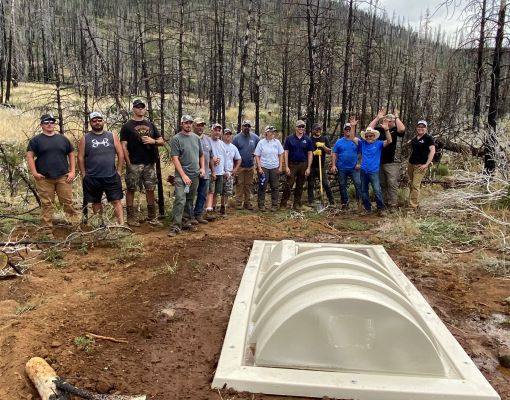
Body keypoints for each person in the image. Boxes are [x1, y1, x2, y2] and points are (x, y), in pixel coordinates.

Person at [26, 114, 79, 235]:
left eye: (51, 122)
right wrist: (34, 173)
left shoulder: (63, 139)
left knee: (67, 202)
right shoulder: (36, 140)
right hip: (44, 178)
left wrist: (72, 171)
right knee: (47, 204)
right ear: (41, 125)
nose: (49, 124)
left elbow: (71, 154)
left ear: (54, 124)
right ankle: (47, 230)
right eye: (46, 122)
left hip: (63, 177)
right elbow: (29, 156)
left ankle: (75, 227)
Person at [120, 99, 164, 226]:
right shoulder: (127, 126)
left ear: (145, 109)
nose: (140, 109)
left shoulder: (150, 124)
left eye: (142, 107)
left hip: (149, 163)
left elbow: (161, 141)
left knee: (150, 189)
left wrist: (153, 141)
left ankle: (152, 217)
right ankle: (131, 218)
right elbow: (123, 146)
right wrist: (128, 164)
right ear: (133, 109)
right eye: (138, 107)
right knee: (131, 189)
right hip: (134, 163)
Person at [78, 112, 125, 226]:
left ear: (103, 121)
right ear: (90, 123)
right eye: (94, 121)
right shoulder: (85, 138)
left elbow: (120, 153)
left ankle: (121, 225)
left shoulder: (111, 136)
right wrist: (84, 174)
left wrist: (118, 171)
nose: (97, 122)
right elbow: (80, 157)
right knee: (96, 201)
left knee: (116, 201)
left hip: (111, 176)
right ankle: (100, 225)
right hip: (93, 177)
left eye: (99, 120)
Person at [168, 115, 205, 237]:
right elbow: (175, 158)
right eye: (186, 123)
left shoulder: (196, 138)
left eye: (190, 123)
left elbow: (201, 155)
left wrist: (202, 168)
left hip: (195, 175)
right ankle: (175, 226)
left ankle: (186, 221)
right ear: (181, 124)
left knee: (189, 200)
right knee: (180, 199)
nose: (188, 125)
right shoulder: (176, 139)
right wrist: (183, 175)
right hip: (181, 176)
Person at [351, 119, 392, 216]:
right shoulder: (362, 143)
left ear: (374, 136)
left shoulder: (378, 144)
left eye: (370, 135)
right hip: (363, 171)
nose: (369, 137)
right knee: (364, 190)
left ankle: (381, 209)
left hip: (374, 171)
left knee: (377, 190)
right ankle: (367, 208)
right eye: (367, 136)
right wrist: (353, 126)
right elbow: (352, 138)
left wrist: (386, 130)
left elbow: (389, 141)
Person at [368, 109, 406, 211]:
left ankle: (393, 205)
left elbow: (402, 129)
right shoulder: (380, 130)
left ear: (393, 122)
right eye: (386, 120)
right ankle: (384, 204)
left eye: (389, 121)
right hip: (380, 162)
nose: (387, 122)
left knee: (392, 183)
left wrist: (396, 117)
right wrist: (378, 118)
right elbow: (369, 129)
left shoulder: (396, 131)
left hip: (393, 162)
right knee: (382, 184)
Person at [280, 120, 313, 211]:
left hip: (303, 164)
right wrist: (286, 166)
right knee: (289, 184)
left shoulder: (307, 139)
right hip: (292, 164)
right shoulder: (289, 138)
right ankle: (283, 203)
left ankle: (297, 204)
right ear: (296, 128)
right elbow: (286, 152)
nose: (301, 128)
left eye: (303, 127)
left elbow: (310, 154)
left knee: (300, 185)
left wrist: (308, 167)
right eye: (299, 126)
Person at [330, 121, 362, 210]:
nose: (348, 130)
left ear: (352, 130)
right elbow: (335, 153)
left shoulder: (357, 141)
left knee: (358, 184)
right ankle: (345, 204)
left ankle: (359, 203)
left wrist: (359, 163)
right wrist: (333, 165)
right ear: (343, 130)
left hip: (354, 168)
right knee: (342, 185)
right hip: (342, 168)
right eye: (346, 129)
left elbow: (362, 153)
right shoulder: (339, 141)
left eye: (349, 129)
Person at [254, 126, 284, 211]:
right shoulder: (261, 143)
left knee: (275, 186)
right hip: (264, 167)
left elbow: (280, 154)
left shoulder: (277, 142)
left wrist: (280, 166)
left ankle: (274, 205)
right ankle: (261, 204)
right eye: (271, 132)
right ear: (266, 132)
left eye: (274, 132)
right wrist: (259, 168)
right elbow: (257, 155)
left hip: (274, 167)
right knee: (262, 186)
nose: (273, 133)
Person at [407, 120, 435, 210]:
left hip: (420, 166)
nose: (420, 128)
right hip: (411, 164)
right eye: (419, 127)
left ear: (426, 128)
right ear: (417, 128)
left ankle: (413, 206)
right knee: (412, 184)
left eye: (423, 127)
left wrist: (426, 164)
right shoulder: (415, 138)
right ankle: (412, 201)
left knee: (415, 185)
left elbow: (432, 151)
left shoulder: (428, 138)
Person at [192, 117, 215, 224]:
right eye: (198, 125)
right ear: (193, 125)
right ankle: (189, 216)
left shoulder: (207, 140)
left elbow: (210, 157)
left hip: (205, 173)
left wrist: (213, 171)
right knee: (190, 195)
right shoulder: (190, 137)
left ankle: (198, 215)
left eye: (202, 125)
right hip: (192, 173)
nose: (200, 127)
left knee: (202, 195)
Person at [233, 120, 259, 210]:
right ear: (242, 127)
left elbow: (259, 149)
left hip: (250, 165)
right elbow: (233, 152)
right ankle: (238, 203)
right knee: (240, 184)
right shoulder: (236, 138)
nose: (247, 127)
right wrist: (234, 167)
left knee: (248, 185)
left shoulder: (255, 137)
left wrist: (255, 154)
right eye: (245, 126)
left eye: (248, 126)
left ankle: (247, 202)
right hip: (240, 166)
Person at [307, 123, 335, 206]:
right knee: (311, 184)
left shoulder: (324, 138)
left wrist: (323, 146)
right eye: (316, 129)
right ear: (313, 130)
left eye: (319, 129)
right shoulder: (309, 139)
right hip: (311, 166)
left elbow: (330, 151)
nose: (318, 130)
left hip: (321, 166)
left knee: (326, 184)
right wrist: (314, 153)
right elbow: (307, 153)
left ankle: (332, 201)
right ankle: (311, 202)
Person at [205, 123, 227, 218]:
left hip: (220, 172)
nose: (217, 132)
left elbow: (225, 158)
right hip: (209, 171)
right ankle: (207, 209)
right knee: (210, 191)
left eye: (219, 130)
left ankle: (212, 208)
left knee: (216, 192)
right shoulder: (207, 141)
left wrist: (225, 170)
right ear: (212, 131)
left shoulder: (222, 144)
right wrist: (212, 159)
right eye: (215, 130)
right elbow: (204, 154)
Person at [220, 128, 242, 215]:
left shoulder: (233, 147)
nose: (228, 136)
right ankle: (211, 208)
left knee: (227, 192)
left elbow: (239, 159)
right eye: (226, 134)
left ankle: (223, 207)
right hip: (219, 172)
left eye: (229, 134)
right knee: (214, 192)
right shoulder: (219, 145)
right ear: (223, 135)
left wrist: (235, 169)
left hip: (229, 173)